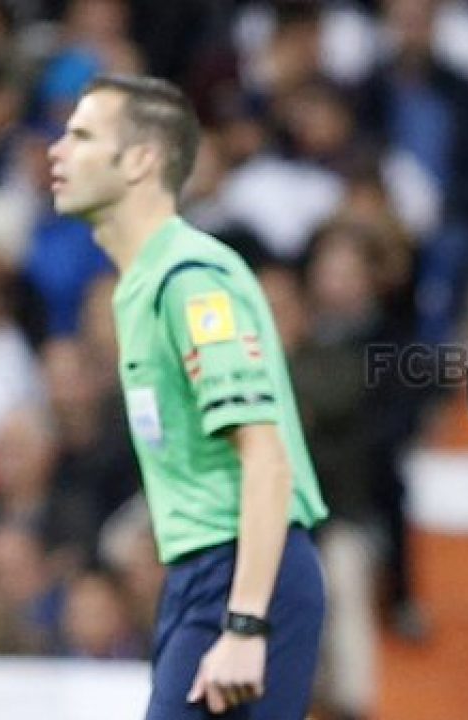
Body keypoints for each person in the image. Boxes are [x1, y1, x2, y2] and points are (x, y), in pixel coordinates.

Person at [47, 74, 328, 719]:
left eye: (82, 135)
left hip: (245, 574)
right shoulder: (139, 286)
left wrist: (246, 624)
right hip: (201, 575)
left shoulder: (191, 282)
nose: (57, 150)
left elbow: (267, 456)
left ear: (141, 160)